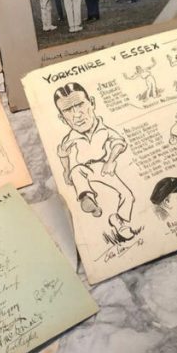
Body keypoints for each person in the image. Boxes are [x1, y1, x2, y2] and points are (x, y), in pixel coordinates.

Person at [53, 82, 136, 241]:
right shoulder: (70, 138)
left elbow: (119, 144)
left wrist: (110, 161)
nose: (77, 115)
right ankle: (87, 198)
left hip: (103, 167)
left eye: (80, 105)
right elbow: (62, 153)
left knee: (128, 195)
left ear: (92, 103)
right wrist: (66, 170)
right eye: (68, 110)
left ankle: (119, 221)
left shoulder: (105, 129)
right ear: (62, 118)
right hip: (84, 169)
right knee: (76, 172)